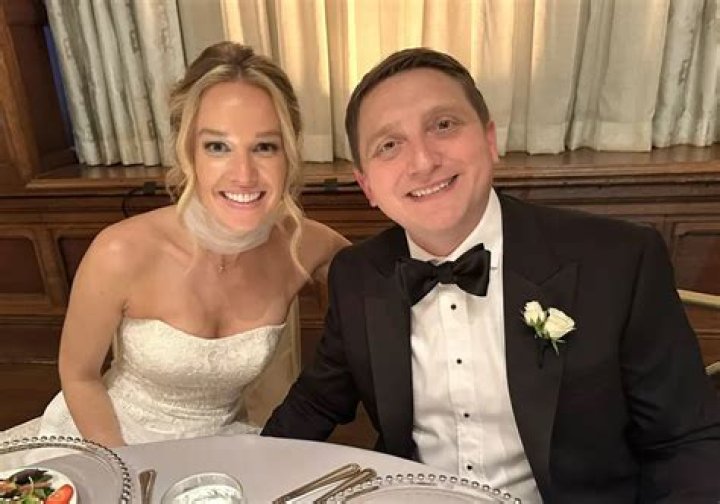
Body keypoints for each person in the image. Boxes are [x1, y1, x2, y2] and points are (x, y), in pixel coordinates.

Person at [262, 48, 720, 503]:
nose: (422, 161)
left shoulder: (618, 260)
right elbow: (317, 403)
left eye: (443, 125)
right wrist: (247, 478)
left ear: (489, 139)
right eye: (389, 145)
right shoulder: (358, 274)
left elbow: (684, 440)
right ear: (368, 187)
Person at [1, 42, 348, 448]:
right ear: (187, 151)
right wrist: (126, 467)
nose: (243, 174)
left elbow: (378, 287)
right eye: (217, 146)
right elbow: (79, 376)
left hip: (225, 447)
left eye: (264, 147)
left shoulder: (307, 245)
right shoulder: (119, 252)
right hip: (112, 439)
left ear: (288, 153)